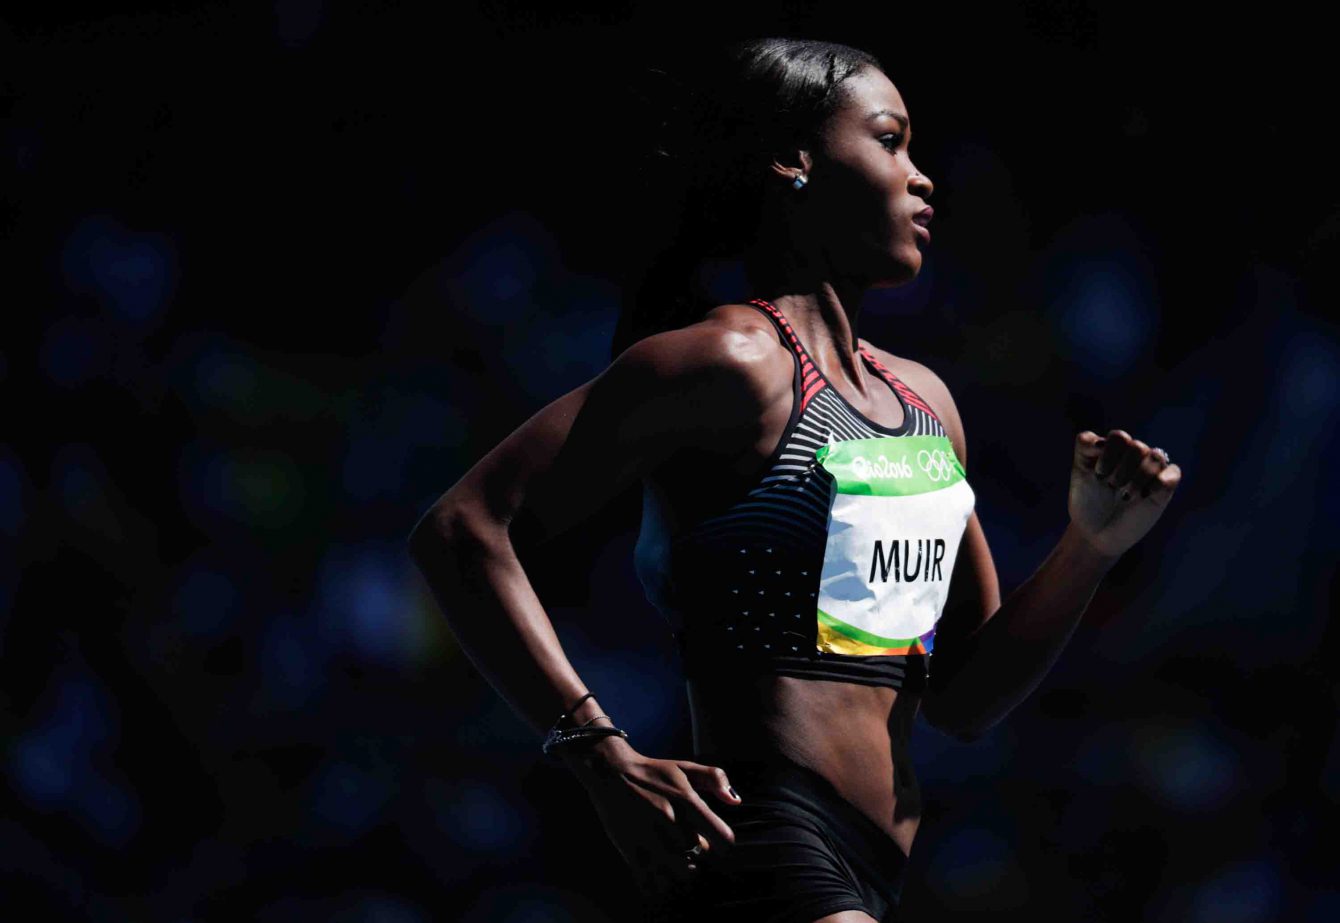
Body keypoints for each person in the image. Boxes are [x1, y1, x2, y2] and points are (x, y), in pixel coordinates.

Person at [408, 37, 1182, 923]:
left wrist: (1091, 543)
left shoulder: (925, 404)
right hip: (764, 839)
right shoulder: (731, 363)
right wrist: (597, 751)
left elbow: (965, 697)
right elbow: (462, 528)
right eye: (889, 141)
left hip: (877, 868)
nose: (922, 175)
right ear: (794, 162)